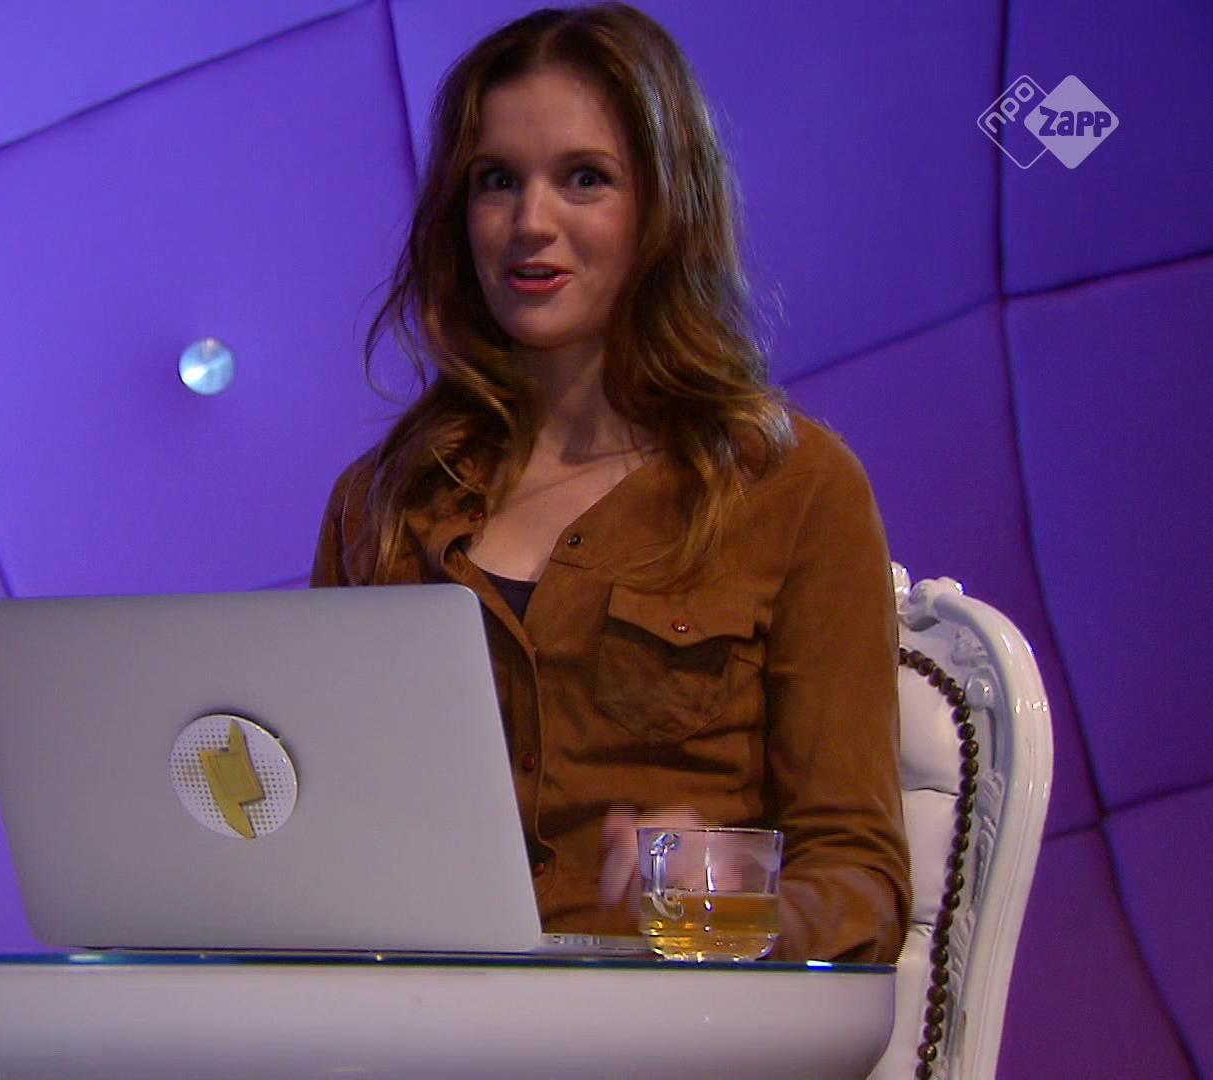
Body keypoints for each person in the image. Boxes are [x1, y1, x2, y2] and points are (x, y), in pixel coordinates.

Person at [308, 3, 909, 963]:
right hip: (420, 1015)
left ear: (666, 206)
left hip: (672, 1019)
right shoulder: (381, 500)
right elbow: (320, 835)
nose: (530, 223)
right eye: (497, 181)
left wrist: (729, 899)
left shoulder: (795, 488)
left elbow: (860, 882)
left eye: (584, 178)